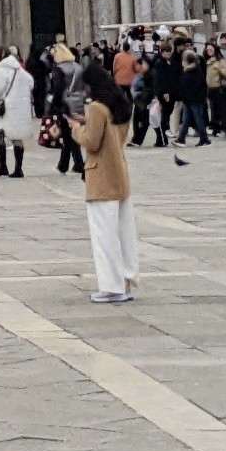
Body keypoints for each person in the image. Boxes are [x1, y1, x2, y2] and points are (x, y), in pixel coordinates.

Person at [74, 61, 137, 303]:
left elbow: (92, 142)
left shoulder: (97, 108)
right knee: (123, 233)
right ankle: (125, 280)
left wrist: (76, 129)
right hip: (119, 173)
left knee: (104, 235)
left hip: (101, 176)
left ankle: (111, 286)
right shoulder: (120, 105)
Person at [0, 47, 34, 179]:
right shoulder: (19, 68)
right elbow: (30, 82)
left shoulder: (1, 68)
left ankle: (3, 167)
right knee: (16, 136)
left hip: (3, 106)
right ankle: (18, 168)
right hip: (17, 107)